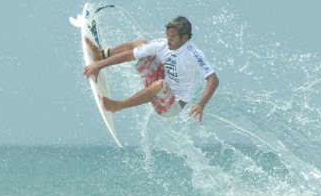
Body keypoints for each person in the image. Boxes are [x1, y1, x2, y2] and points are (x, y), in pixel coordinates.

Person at [83, 16, 219, 122]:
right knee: (140, 44)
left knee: (160, 84)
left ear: (184, 38)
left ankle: (118, 105)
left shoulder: (193, 54)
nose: (168, 40)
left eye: (172, 38)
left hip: (170, 106)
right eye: (167, 36)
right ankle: (101, 55)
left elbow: (213, 79)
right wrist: (99, 65)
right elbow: (130, 54)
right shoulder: (163, 44)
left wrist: (201, 104)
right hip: (159, 83)